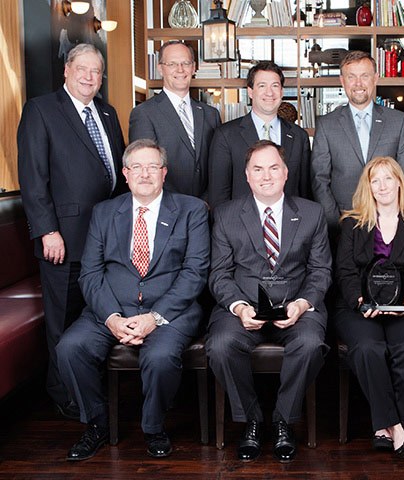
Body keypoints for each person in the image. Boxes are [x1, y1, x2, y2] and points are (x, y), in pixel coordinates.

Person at [56, 139, 210, 461]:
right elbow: (91, 273)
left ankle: (153, 427)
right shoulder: (104, 212)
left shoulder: (191, 210)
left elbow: (195, 273)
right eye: (136, 167)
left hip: (170, 310)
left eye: (152, 166)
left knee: (161, 357)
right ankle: (97, 423)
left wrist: (154, 317)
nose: (145, 174)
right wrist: (112, 317)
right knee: (70, 348)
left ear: (164, 172)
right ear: (125, 174)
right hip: (111, 308)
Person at [17, 43, 126, 420]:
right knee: (63, 320)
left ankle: (93, 388)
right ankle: (64, 393)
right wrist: (47, 230)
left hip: (107, 239)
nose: (89, 77)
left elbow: (117, 174)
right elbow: (32, 178)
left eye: (96, 71)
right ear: (66, 70)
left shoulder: (108, 113)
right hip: (64, 239)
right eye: (82, 69)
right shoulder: (41, 110)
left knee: (98, 317)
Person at [206, 140, 331, 463]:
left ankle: (282, 420)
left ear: (286, 172)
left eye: (274, 168)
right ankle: (252, 420)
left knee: (311, 344)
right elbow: (219, 273)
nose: (266, 176)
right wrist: (239, 307)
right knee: (220, 345)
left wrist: (302, 304)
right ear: (247, 175)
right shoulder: (227, 214)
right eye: (258, 169)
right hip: (244, 307)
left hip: (296, 307)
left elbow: (320, 271)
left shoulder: (312, 213)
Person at [334, 156, 404, 459]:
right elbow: (345, 271)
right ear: (368, 187)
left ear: (400, 182)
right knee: (367, 348)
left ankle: (383, 427)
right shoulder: (351, 223)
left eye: (388, 178)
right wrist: (360, 301)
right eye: (374, 180)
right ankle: (398, 430)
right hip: (358, 307)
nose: (382, 186)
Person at [311, 51, 404, 231]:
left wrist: (392, 217)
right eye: (351, 77)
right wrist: (335, 222)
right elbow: (319, 179)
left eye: (364, 76)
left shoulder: (398, 121)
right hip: (343, 221)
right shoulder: (326, 124)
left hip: (388, 223)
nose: (358, 83)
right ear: (342, 81)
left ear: (375, 78)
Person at [208, 61, 311, 209]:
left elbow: (305, 194)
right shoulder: (225, 135)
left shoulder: (299, 137)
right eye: (262, 86)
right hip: (241, 222)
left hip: (290, 221)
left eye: (275, 86)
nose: (269, 93)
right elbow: (218, 197)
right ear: (250, 92)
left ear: (282, 92)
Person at [129, 40, 221, 201]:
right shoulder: (144, 113)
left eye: (186, 63)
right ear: (160, 68)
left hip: (206, 206)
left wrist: (206, 202)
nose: (180, 69)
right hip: (167, 206)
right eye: (172, 64)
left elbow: (217, 165)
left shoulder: (210, 114)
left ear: (193, 68)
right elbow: (145, 169)